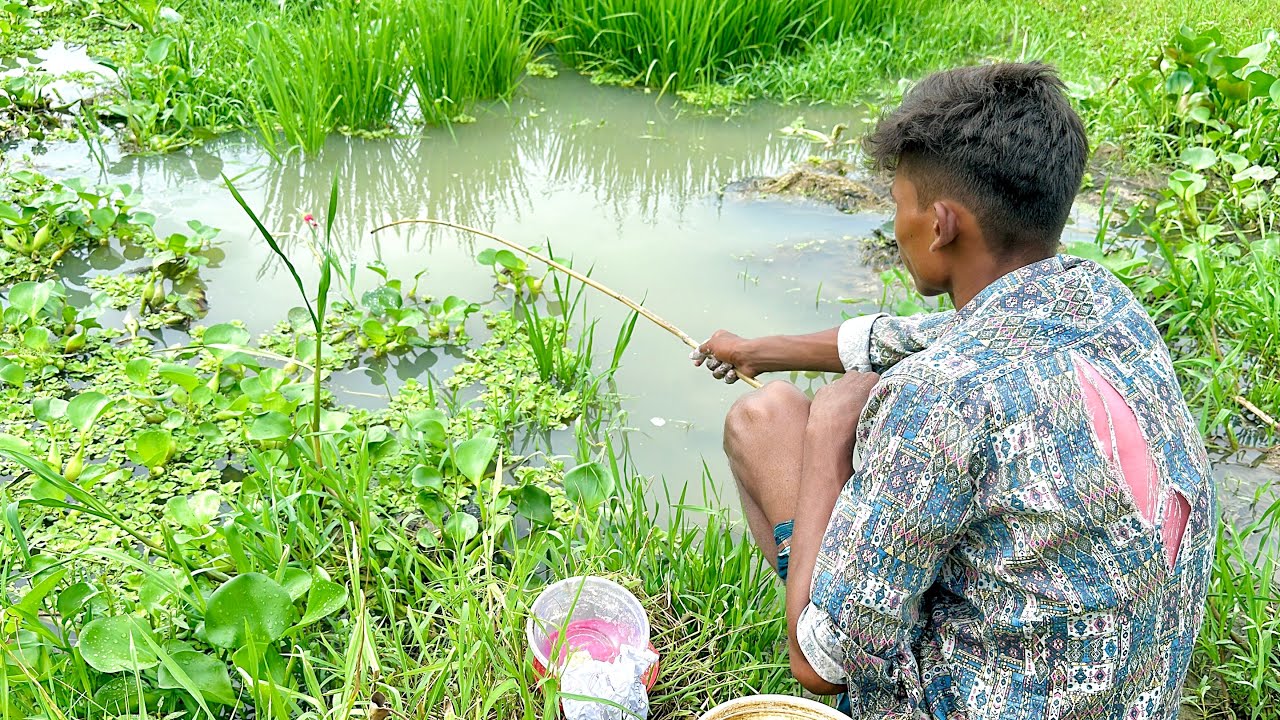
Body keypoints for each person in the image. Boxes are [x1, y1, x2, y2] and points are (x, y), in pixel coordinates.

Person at [691, 62, 1213, 719]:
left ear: (940, 224)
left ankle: (828, 612)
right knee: (778, 405)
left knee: (764, 424)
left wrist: (828, 432)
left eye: (898, 205)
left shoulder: (938, 397)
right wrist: (762, 350)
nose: (895, 226)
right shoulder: (1102, 302)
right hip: (1138, 696)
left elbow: (817, 666)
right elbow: (918, 335)